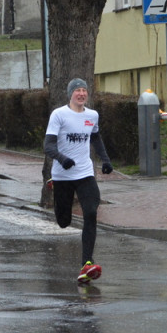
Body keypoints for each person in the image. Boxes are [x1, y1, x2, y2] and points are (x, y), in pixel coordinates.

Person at [44, 78, 113, 284]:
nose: (81, 94)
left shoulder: (92, 115)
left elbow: (95, 138)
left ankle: (87, 264)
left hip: (84, 173)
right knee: (63, 222)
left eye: (84, 91)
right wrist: (62, 159)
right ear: (70, 94)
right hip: (62, 174)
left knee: (91, 212)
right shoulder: (59, 115)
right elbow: (48, 146)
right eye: (77, 91)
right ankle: (54, 185)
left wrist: (106, 160)